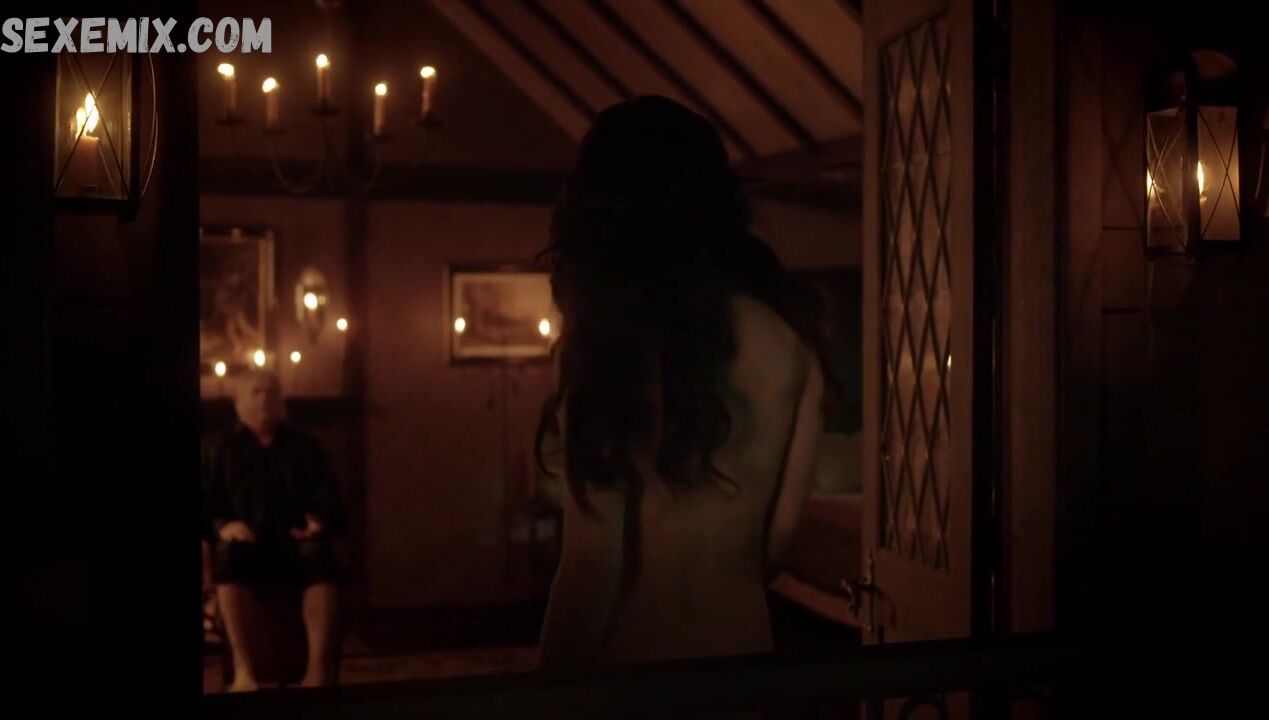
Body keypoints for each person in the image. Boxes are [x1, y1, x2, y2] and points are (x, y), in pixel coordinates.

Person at [535, 96, 833, 669]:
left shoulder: (603, 342)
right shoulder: (790, 343)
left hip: (617, 666)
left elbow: (590, 557)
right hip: (734, 660)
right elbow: (777, 542)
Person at [203, 369, 344, 690]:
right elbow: (205, 501)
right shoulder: (219, 448)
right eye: (255, 392)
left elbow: (329, 499)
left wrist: (318, 522)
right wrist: (223, 526)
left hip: (295, 543)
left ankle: (317, 672)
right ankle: (244, 670)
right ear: (239, 401)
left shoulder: (305, 446)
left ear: (282, 399)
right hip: (247, 545)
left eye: (271, 391)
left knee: (320, 555)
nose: (264, 398)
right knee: (227, 557)